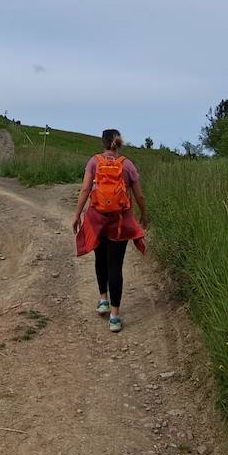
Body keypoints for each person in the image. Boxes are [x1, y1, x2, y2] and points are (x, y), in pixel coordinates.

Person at [72, 129, 148, 332]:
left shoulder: (94, 162)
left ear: (103, 143)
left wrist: (77, 214)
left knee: (100, 259)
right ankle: (114, 317)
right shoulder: (128, 164)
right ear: (119, 143)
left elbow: (85, 189)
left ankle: (103, 299)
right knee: (115, 265)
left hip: (97, 219)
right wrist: (144, 215)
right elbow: (139, 196)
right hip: (120, 222)